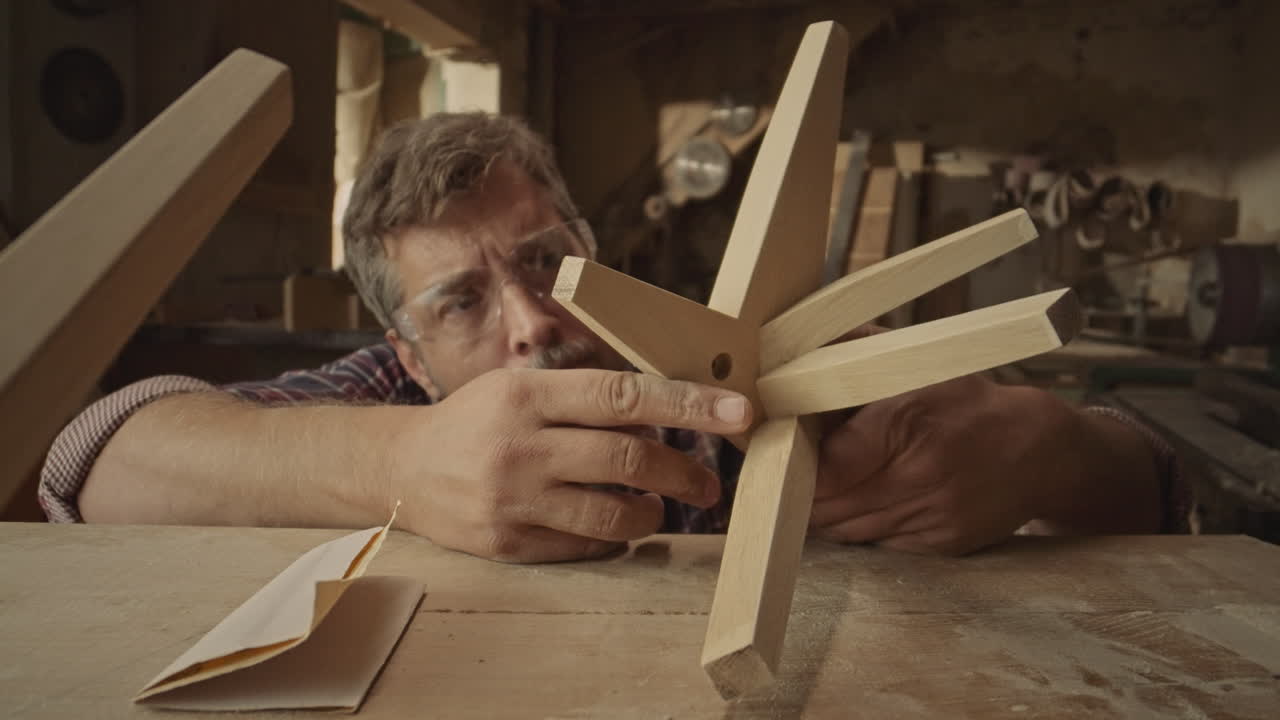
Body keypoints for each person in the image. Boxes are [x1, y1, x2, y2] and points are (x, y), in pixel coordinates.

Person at [40, 113, 1189, 563]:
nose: (534, 321)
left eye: (547, 262)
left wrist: (1050, 447)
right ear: (403, 347)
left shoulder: (726, 362)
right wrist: (396, 464)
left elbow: (1147, 483)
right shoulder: (380, 401)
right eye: (461, 304)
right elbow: (99, 454)